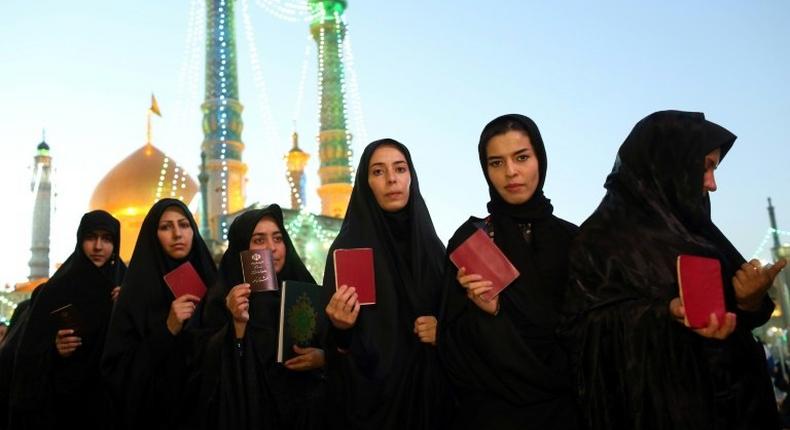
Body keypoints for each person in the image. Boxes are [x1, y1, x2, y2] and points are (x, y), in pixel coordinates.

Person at [563, 110, 787, 429]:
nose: (712, 184)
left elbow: (737, 319)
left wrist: (748, 299)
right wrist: (663, 314)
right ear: (668, 164)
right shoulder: (600, 242)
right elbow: (580, 334)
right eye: (706, 167)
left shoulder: (697, 230)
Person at [437, 114, 580, 429]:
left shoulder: (574, 240)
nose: (511, 172)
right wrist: (487, 315)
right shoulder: (471, 241)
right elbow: (451, 350)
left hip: (564, 410)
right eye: (496, 163)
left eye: (522, 157)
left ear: (540, 159)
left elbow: (589, 336)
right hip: (492, 412)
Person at [323, 139, 450, 429]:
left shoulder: (432, 249)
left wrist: (443, 329)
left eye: (400, 169)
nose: (392, 179)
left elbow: (456, 319)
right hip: (372, 404)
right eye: (378, 172)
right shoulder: (348, 250)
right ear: (365, 183)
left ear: (411, 177)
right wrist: (340, 330)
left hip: (433, 402)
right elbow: (334, 352)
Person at [190, 204, 326, 429]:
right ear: (242, 249)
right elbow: (205, 371)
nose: (272, 248)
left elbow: (333, 347)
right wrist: (237, 325)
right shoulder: (220, 300)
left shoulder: (303, 289)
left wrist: (323, 357)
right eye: (259, 241)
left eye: (278, 238)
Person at [101, 198, 217, 430]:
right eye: (166, 227)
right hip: (157, 415)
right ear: (153, 235)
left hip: (209, 412)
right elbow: (117, 371)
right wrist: (167, 330)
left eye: (184, 225)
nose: (177, 234)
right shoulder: (136, 293)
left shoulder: (213, 283)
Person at [7, 210, 127, 429]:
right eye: (91, 238)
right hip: (64, 407)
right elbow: (28, 353)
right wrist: (54, 350)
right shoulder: (56, 290)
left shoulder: (128, 286)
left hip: (113, 404)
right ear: (80, 240)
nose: (98, 247)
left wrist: (126, 306)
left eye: (107, 239)